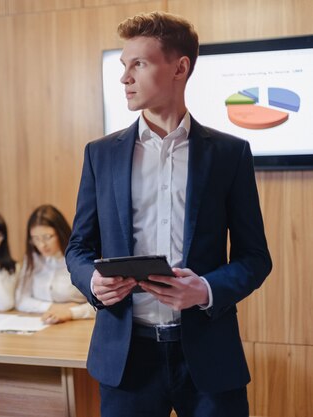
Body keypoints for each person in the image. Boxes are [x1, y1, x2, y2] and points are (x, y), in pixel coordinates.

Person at [65, 11, 272, 417]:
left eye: (138, 64)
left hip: (209, 360)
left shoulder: (229, 155)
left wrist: (205, 290)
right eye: (124, 66)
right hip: (126, 360)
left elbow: (255, 258)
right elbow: (78, 246)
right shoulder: (100, 155)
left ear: (180, 68)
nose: (125, 77)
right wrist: (91, 280)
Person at [15, 204, 94, 324]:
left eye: (47, 237)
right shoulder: (33, 258)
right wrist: (51, 307)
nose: (42, 245)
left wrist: (71, 312)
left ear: (60, 232)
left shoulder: (80, 259)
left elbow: (100, 305)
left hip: (77, 324)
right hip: (42, 322)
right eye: (35, 239)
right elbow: (21, 300)